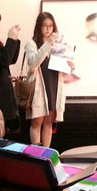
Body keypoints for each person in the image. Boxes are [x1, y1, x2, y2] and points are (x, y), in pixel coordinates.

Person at [25, 12, 73, 148]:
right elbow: (33, 64)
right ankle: (36, 155)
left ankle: (46, 154)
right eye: (44, 26)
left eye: (51, 26)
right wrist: (47, 44)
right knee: (36, 123)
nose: (48, 29)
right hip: (39, 88)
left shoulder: (58, 46)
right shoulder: (32, 44)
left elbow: (62, 73)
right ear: (39, 26)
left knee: (48, 123)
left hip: (53, 87)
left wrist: (70, 67)